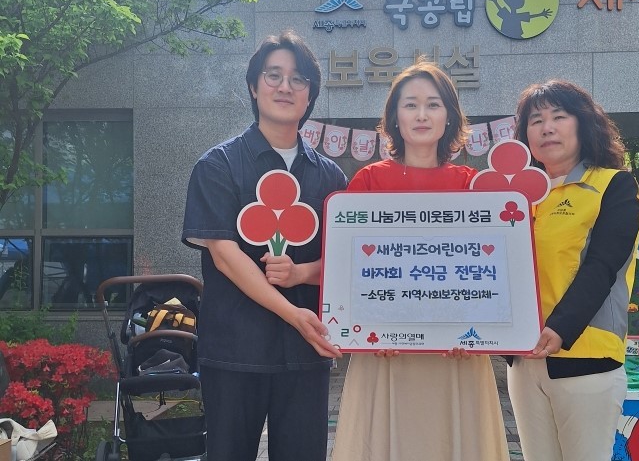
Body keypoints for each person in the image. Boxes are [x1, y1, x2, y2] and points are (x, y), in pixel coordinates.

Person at [331, 60, 510, 461]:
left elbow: (489, 275)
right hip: (383, 351)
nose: (422, 115)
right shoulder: (368, 181)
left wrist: (477, 331)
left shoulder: (473, 186)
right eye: (410, 105)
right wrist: (371, 328)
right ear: (395, 117)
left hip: (458, 353)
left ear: (450, 116)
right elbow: (347, 269)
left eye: (433, 104)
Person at [181, 30, 346, 461]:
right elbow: (225, 256)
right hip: (235, 352)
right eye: (273, 75)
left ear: (310, 95)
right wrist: (294, 314)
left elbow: (345, 261)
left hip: (306, 355)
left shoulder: (330, 177)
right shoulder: (218, 165)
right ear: (254, 87)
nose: (285, 87)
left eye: (298, 78)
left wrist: (301, 273)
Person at [507, 79, 639, 461]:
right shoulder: (516, 197)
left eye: (559, 116)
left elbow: (603, 266)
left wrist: (561, 328)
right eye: (536, 120)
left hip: (587, 360)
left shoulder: (614, 185)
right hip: (524, 361)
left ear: (583, 123)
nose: (547, 128)